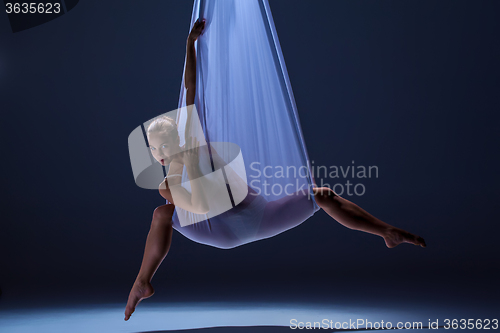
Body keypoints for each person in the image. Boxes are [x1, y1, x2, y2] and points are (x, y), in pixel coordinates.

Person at [124, 19, 426, 321]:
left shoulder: (192, 135)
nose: (158, 154)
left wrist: (190, 44)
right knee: (162, 214)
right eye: (153, 149)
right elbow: (202, 205)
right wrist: (189, 163)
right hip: (218, 230)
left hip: (258, 215)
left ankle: (386, 231)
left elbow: (191, 86)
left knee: (321, 195)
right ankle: (142, 281)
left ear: (176, 137)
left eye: (163, 145)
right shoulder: (168, 182)